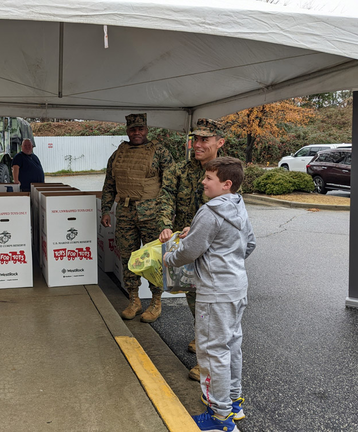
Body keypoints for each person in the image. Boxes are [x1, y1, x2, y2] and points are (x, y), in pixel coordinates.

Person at [163, 157, 256, 432]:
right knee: (231, 346)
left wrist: (169, 257)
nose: (203, 182)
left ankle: (219, 418)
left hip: (215, 294)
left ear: (226, 184)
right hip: (237, 288)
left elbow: (189, 252)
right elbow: (248, 243)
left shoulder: (210, 211)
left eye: (209, 178)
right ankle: (234, 405)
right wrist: (227, 260)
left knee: (212, 352)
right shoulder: (238, 205)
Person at [157, 118, 226, 381]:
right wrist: (165, 224)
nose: (197, 144)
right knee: (194, 299)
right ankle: (202, 338)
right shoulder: (179, 170)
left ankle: (207, 366)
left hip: (214, 251)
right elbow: (165, 198)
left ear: (219, 142)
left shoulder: (227, 172)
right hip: (187, 246)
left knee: (210, 305)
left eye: (204, 140)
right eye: (194, 139)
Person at [101, 113, 173, 322]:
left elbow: (170, 186)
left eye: (141, 128)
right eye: (133, 129)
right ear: (127, 130)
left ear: (147, 129)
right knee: (129, 258)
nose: (137, 132)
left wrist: (168, 216)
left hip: (153, 215)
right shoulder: (118, 154)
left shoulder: (160, 153)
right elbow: (109, 185)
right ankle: (134, 300)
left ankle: (156, 302)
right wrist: (106, 209)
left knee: (154, 260)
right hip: (125, 213)